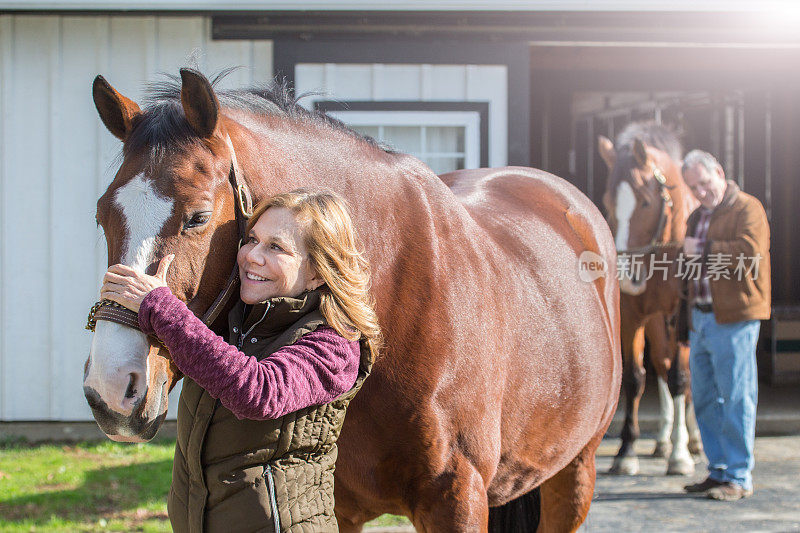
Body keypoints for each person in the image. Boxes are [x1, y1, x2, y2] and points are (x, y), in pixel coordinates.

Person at [100, 188, 380, 532]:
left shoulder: (335, 344)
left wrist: (160, 308)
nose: (251, 256)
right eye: (251, 239)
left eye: (275, 247)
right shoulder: (235, 324)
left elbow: (258, 392)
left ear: (318, 273)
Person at [680, 150, 771, 501]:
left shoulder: (748, 208)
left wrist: (701, 249)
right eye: (694, 187)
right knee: (703, 398)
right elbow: (689, 266)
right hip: (700, 317)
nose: (702, 191)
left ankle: (738, 476)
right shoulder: (696, 217)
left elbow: (748, 253)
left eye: (705, 182)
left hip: (734, 318)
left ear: (719, 172)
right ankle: (717, 470)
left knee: (736, 396)